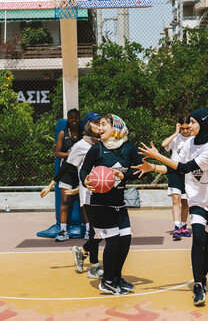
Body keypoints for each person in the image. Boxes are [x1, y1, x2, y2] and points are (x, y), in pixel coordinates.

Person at [136, 109, 208, 307]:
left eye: (194, 122)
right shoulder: (188, 144)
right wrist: (152, 167)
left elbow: (186, 168)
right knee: (199, 238)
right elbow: (176, 167)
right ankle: (197, 285)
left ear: (204, 124)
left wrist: (157, 156)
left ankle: (202, 277)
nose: (190, 126)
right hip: (197, 199)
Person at [79, 114, 145, 295]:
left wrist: (126, 176)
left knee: (125, 241)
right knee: (113, 242)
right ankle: (107, 281)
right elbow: (85, 169)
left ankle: (116, 277)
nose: (99, 128)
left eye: (103, 125)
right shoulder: (97, 149)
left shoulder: (129, 148)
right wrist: (85, 180)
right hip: (99, 204)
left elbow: (142, 171)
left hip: (119, 203)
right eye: (98, 125)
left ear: (116, 127)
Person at [64, 112, 104, 279]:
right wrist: (73, 187)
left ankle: (83, 253)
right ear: (88, 125)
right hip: (88, 192)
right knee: (98, 231)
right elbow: (68, 168)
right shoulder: (80, 145)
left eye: (100, 122)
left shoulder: (104, 143)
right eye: (95, 123)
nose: (98, 125)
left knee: (100, 230)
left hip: (103, 191)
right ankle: (93, 263)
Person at [41, 108, 82, 241]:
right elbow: (57, 153)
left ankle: (88, 229)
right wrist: (71, 155)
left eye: (76, 117)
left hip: (80, 171)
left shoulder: (84, 134)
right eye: (71, 118)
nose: (74, 120)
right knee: (65, 200)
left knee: (85, 201)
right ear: (68, 119)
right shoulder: (62, 134)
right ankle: (63, 230)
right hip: (66, 170)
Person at [162, 115, 192, 240]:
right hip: (175, 170)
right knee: (176, 199)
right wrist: (176, 132)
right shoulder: (176, 138)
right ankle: (176, 227)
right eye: (182, 128)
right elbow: (164, 144)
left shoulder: (195, 139)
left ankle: (184, 226)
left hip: (188, 172)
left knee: (185, 201)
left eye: (187, 128)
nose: (185, 131)